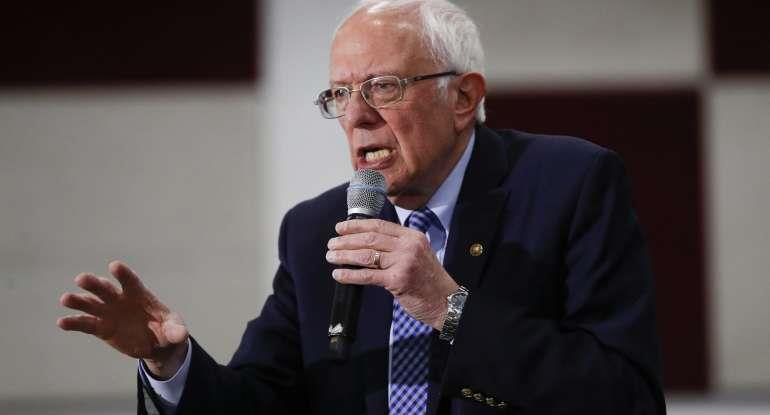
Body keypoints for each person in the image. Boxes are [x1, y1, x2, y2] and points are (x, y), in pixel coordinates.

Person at [57, 0, 666, 413]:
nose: (355, 115)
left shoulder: (571, 184)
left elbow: (624, 396)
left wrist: (445, 304)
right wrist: (171, 362)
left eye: (382, 86)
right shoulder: (316, 229)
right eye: (339, 94)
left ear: (463, 97)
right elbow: (262, 401)